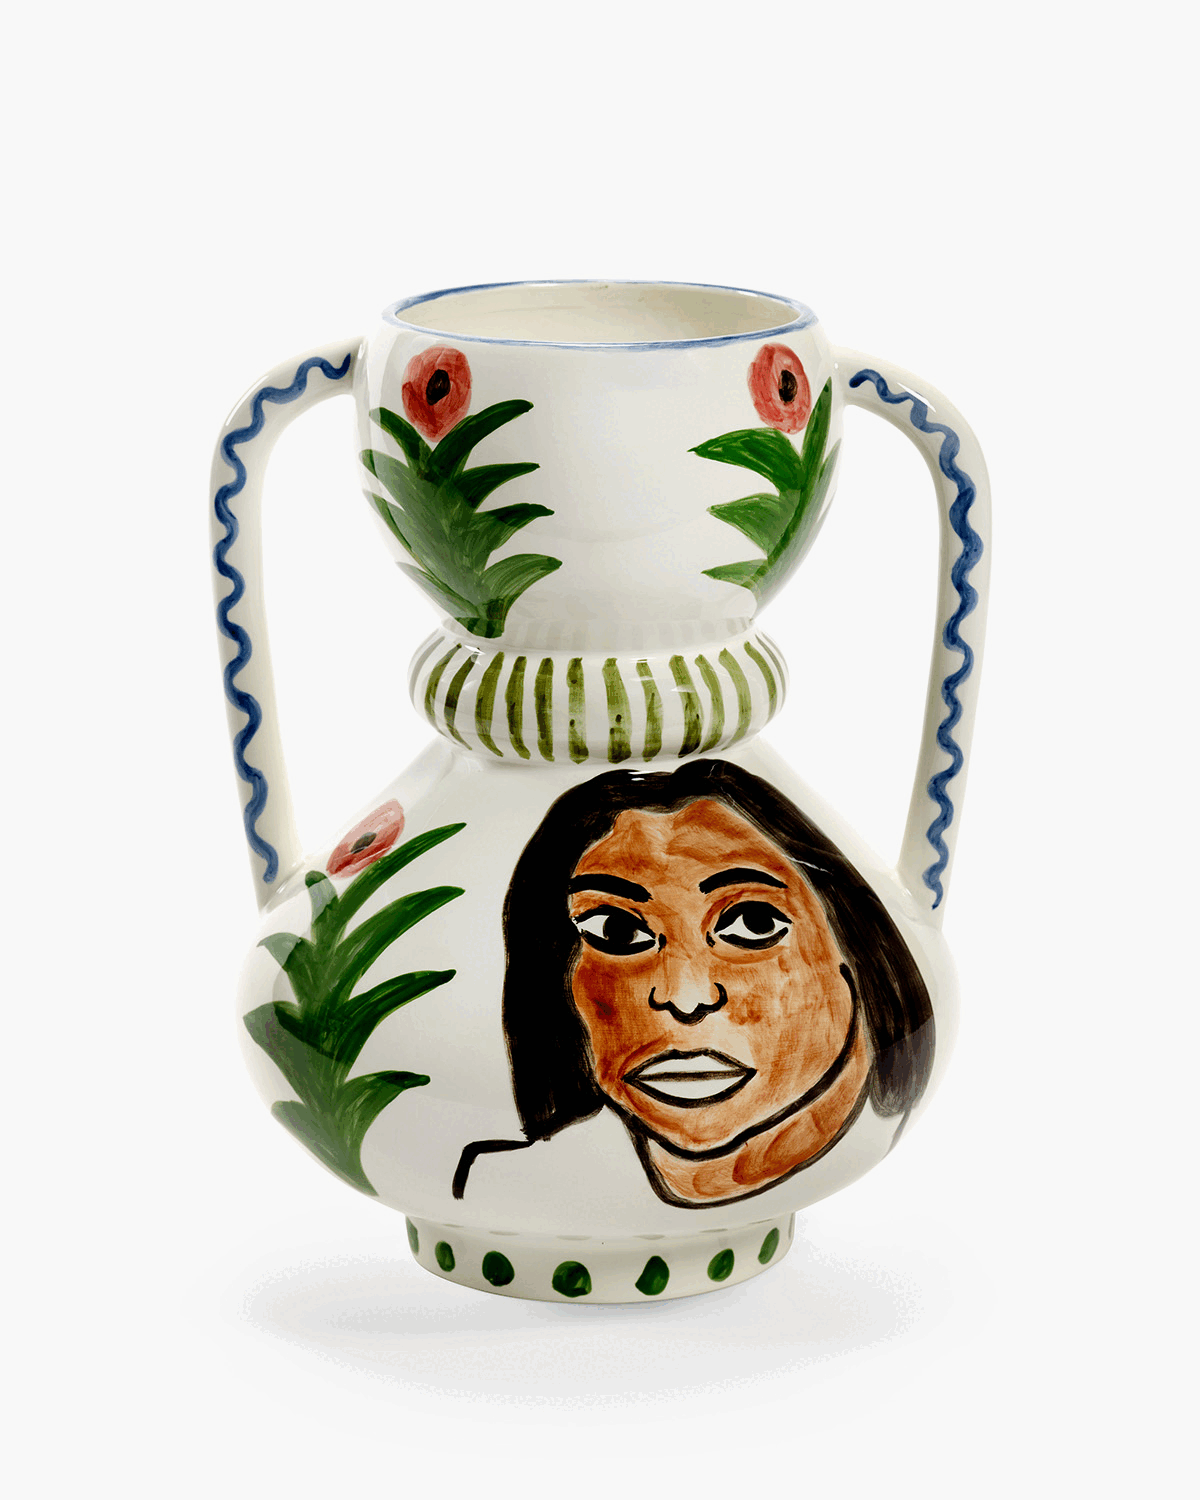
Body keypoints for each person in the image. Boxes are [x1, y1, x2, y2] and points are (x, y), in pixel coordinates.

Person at [454, 759, 934, 1208]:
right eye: (616, 932)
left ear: (855, 942)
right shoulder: (499, 1186)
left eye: (753, 923)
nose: (685, 997)